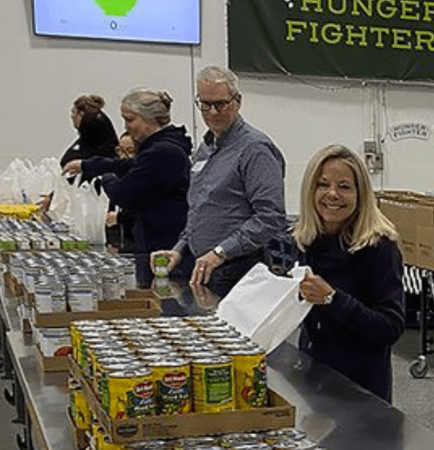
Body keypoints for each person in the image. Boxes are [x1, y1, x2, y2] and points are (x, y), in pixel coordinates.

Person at [153, 65, 287, 297]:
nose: (212, 112)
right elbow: (199, 211)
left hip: (239, 270)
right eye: (205, 104)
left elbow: (270, 217)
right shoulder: (205, 148)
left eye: (220, 104)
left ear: (237, 101)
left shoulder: (255, 150)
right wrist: (179, 250)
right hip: (205, 266)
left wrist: (220, 252)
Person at [294, 144, 406, 402]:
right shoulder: (305, 241)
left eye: (344, 187)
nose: (332, 194)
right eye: (323, 185)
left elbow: (390, 327)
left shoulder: (379, 247)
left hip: (360, 390)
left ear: (360, 194)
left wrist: (333, 298)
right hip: (313, 379)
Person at [63, 88, 192, 286]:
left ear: (150, 118)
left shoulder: (164, 151)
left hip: (164, 243)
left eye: (130, 120)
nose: (126, 126)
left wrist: (105, 178)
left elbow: (125, 195)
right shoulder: (157, 147)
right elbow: (126, 165)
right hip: (154, 239)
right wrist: (86, 164)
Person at [60, 94, 118, 167]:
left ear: (81, 114)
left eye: (74, 112)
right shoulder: (99, 131)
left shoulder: (92, 135)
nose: (72, 116)